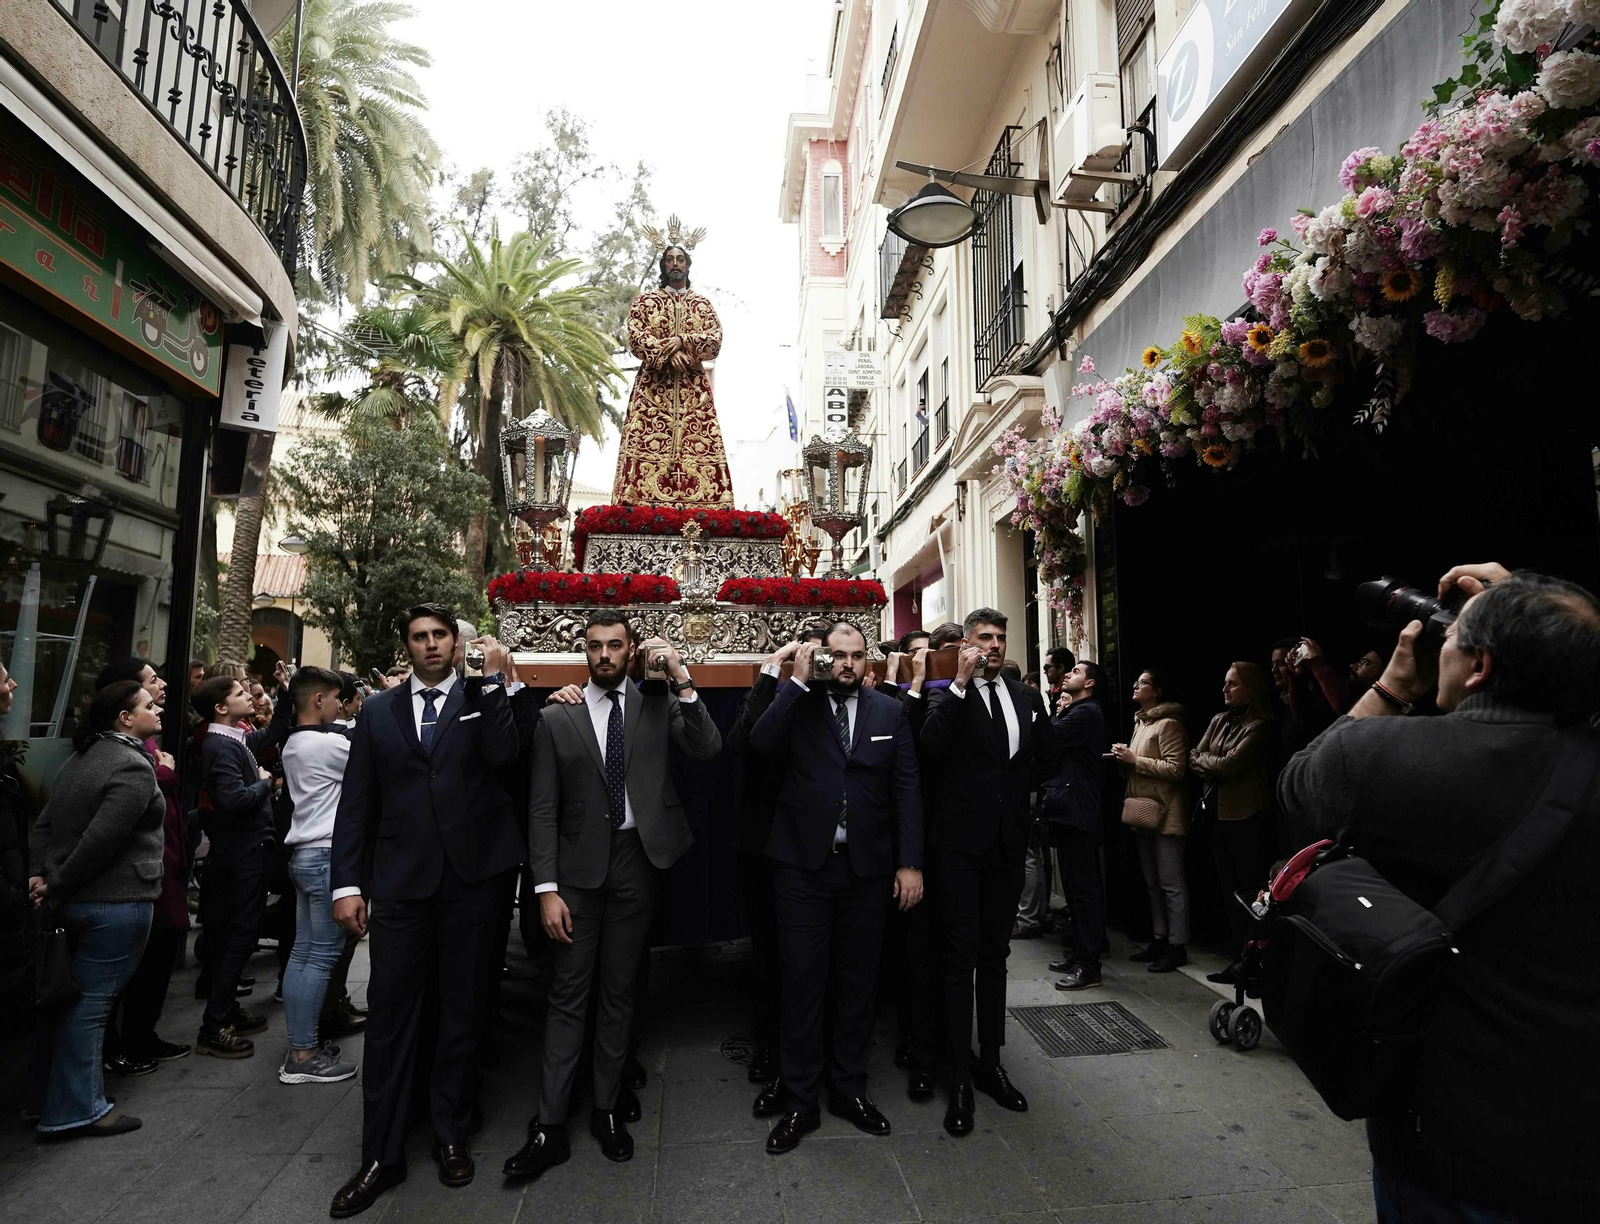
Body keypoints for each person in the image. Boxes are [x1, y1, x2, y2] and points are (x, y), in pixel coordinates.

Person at [1279, 563, 1600, 1223]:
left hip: (1449, 1149)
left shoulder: (1388, 759)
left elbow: (1301, 787)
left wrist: (1396, 683)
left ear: (1477, 666)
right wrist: (1541, 617)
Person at [504, 614, 721, 1179]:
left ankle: (605, 1111)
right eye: (595, 646)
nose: (604, 654)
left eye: (615, 646)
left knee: (621, 993)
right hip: (574, 874)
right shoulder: (558, 714)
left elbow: (706, 745)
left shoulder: (656, 702)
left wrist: (679, 673)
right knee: (569, 994)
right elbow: (542, 808)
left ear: (631, 651)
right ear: (585, 651)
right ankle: (550, 1124)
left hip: (637, 862)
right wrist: (545, 889)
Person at [327, 606, 522, 1215]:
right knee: (389, 1017)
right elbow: (356, 803)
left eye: (441, 635)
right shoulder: (379, 712)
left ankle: (449, 1134)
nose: (432, 644)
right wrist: (346, 885)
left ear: (455, 642)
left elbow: (505, 758)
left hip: (472, 883)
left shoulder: (481, 697)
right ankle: (380, 1155)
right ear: (407, 645)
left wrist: (489, 683)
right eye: (420, 636)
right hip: (402, 885)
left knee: (462, 1013)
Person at [748, 623, 923, 1155]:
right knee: (801, 985)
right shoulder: (798, 703)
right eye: (837, 656)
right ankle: (801, 1100)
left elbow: (907, 789)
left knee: (857, 986)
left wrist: (909, 863)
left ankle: (850, 1090)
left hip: (866, 872)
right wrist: (796, 681)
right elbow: (759, 743)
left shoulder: (889, 712)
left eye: (856, 656)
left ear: (869, 661)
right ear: (822, 658)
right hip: (802, 869)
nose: (847, 664)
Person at [919, 609, 1057, 1136]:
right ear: (965, 646)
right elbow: (930, 749)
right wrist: (958, 682)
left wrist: (1015, 802)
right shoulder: (946, 693)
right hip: (957, 847)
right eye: (984, 639)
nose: (994, 646)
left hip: (1006, 844)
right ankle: (958, 1074)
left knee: (995, 957)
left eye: (1000, 638)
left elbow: (1045, 758)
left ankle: (991, 1062)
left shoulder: (1025, 696)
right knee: (958, 959)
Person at [28, 681, 165, 1138]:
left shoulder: (77, 759)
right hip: (116, 903)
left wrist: (42, 876)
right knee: (91, 1009)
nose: (157, 707)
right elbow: (100, 841)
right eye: (148, 705)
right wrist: (57, 883)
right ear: (125, 719)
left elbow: (44, 824)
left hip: (78, 901)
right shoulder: (131, 765)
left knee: (71, 1006)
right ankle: (78, 1109)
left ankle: (48, 1099)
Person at [728, 632, 822, 1118]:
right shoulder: (777, 695)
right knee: (769, 955)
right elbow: (747, 742)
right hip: (764, 847)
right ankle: (770, 1045)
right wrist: (773, 670)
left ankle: (808, 1055)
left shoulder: (825, 698)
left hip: (810, 849)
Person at [97, 658, 191, 1072]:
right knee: (140, 965)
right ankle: (125, 1042)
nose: (163, 688)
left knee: (157, 959)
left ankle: (141, 1036)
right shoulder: (129, 755)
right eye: (152, 684)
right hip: (147, 869)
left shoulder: (146, 746)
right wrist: (164, 770)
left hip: (165, 861)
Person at [191, 672, 291, 1056]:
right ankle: (215, 1025)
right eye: (238, 693)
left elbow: (271, 732)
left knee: (242, 932)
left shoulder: (235, 738)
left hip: (249, 847)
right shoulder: (220, 746)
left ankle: (228, 1009)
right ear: (220, 708)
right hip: (243, 850)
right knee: (240, 933)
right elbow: (232, 799)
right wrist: (266, 782)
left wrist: (284, 693)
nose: (247, 694)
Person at [277, 666, 359, 1086]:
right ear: (319, 700)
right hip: (327, 856)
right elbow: (371, 765)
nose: (340, 706)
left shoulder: (295, 743)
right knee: (321, 958)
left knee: (303, 954)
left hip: (306, 855)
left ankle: (301, 1045)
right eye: (336, 698)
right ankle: (303, 1054)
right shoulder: (324, 746)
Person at [611, 233, 735, 504]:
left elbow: (715, 340)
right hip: (653, 390)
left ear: (688, 265)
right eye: (670, 260)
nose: (675, 264)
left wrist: (684, 342)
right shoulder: (646, 302)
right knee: (642, 442)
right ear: (664, 266)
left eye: (680, 259)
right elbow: (636, 336)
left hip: (693, 392)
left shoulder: (701, 305)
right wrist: (667, 355)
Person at [1190, 661, 1275, 984]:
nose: (1225, 689)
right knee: (1229, 892)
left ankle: (1256, 963)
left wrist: (1209, 762)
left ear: (1252, 688)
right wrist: (1212, 762)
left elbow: (1232, 766)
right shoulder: (1219, 719)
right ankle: (1238, 959)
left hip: (1247, 817)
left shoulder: (1262, 724)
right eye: (1225, 683)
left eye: (1233, 684)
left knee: (1250, 892)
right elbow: (1192, 756)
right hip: (1216, 815)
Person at [1110, 669, 1190, 973]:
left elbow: (1176, 769)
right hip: (1143, 811)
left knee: (1171, 883)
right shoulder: (1140, 723)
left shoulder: (1169, 724)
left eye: (1142, 683)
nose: (1135, 685)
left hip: (1167, 812)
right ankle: (1159, 938)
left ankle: (1177, 943)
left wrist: (1135, 760)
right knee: (1152, 883)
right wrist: (1123, 759)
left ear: (1156, 691)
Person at [1045, 661, 1109, 990]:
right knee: (1075, 888)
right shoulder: (1078, 711)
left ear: (1091, 683)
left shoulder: (1085, 713)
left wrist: (1055, 712)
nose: (1068, 674)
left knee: (1083, 890)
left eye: (1077, 672)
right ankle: (1080, 953)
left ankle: (1088, 963)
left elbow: (1049, 738)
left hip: (1079, 810)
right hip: (1071, 810)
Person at [1044, 647, 1076, 711]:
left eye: (1047, 668)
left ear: (1061, 668)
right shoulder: (1054, 694)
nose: (1045, 672)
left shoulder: (1072, 696)